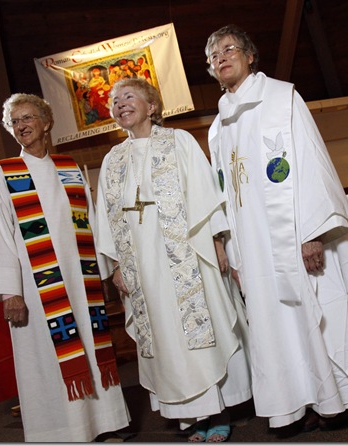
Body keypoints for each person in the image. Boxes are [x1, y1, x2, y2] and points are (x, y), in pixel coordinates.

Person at [204, 25, 348, 434]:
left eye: (228, 49)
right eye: (213, 56)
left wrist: (312, 232)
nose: (221, 58)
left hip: (295, 236)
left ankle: (333, 402)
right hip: (253, 251)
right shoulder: (216, 128)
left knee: (318, 312)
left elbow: (311, 164)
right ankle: (295, 403)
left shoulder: (282, 98)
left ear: (249, 55)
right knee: (273, 327)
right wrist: (234, 254)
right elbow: (224, 196)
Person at [95, 78, 252, 443]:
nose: (120, 105)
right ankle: (189, 420)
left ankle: (217, 411)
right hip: (142, 265)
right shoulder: (111, 159)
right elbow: (104, 215)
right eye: (115, 102)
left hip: (186, 254)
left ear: (152, 106)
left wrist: (215, 240)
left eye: (128, 97)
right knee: (166, 338)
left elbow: (204, 190)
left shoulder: (178, 140)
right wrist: (117, 265)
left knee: (199, 328)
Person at [0, 93, 131, 442]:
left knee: (90, 349)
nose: (21, 126)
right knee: (47, 362)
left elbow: (91, 223)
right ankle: (61, 434)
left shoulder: (69, 168)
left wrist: (105, 269)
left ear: (46, 123)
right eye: (15, 122)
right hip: (37, 290)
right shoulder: (5, 174)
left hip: (80, 284)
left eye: (28, 118)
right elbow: (0, 236)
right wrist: (11, 293)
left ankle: (103, 425)